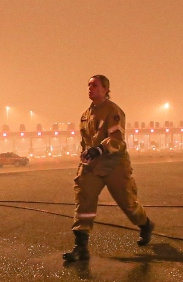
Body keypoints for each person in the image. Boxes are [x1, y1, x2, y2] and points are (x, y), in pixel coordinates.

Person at [63, 75, 154, 262]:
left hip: (114, 165)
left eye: (95, 85)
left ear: (105, 89)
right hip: (93, 166)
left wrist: (99, 149)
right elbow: (86, 142)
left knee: (128, 203)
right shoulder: (85, 115)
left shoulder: (113, 110)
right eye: (88, 85)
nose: (90, 88)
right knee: (84, 202)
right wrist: (86, 156)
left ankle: (145, 225)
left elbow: (117, 140)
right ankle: (81, 247)